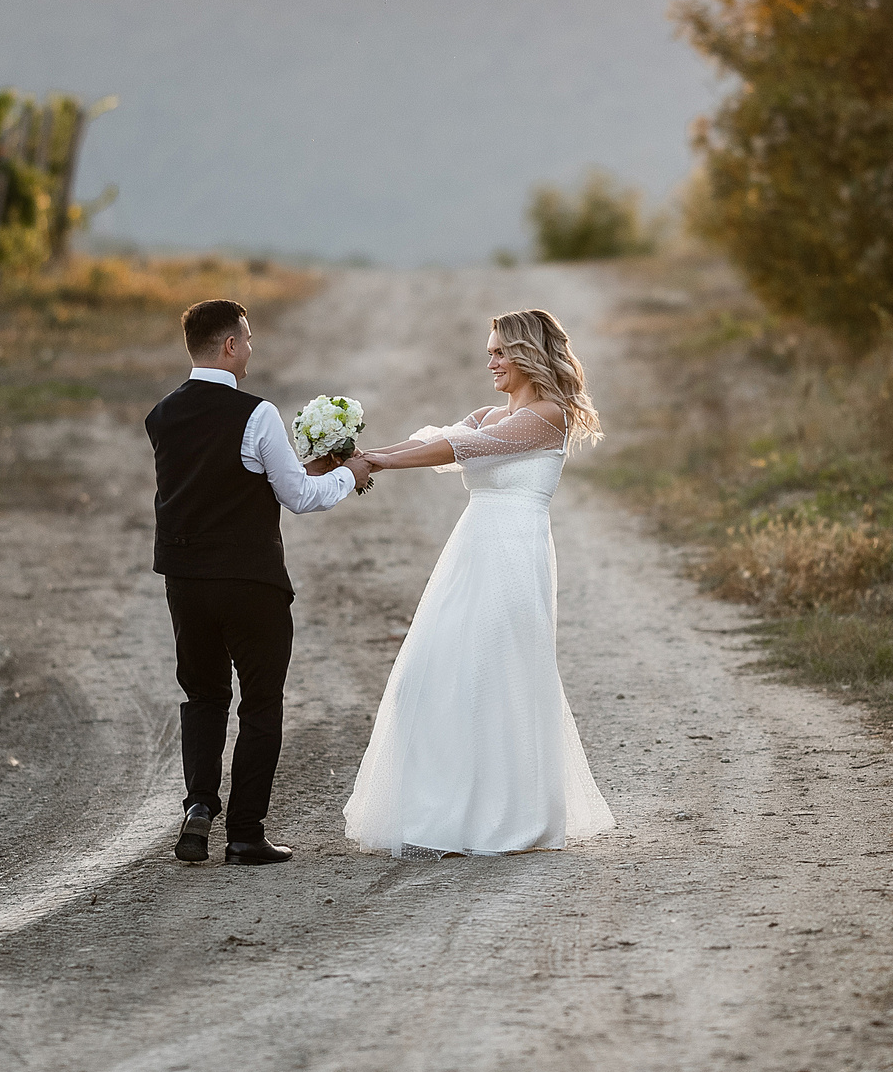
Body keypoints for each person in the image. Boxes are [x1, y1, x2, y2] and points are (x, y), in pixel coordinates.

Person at [342, 308, 616, 857]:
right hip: (471, 549)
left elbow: (453, 450)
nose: (489, 360)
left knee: (497, 671)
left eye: (498, 351)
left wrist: (373, 463)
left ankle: (509, 815)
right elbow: (434, 440)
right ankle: (443, 806)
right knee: (436, 668)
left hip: (515, 552)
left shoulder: (546, 415)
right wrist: (360, 457)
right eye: (489, 350)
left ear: (526, 355)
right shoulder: (489, 412)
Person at [147, 298, 373, 866]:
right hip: (250, 581)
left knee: (202, 696)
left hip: (185, 580)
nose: (250, 349)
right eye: (246, 339)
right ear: (229, 346)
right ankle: (245, 833)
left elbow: (223, 480)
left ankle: (199, 807)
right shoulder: (257, 413)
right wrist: (350, 474)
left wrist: (310, 469)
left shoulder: (162, 416)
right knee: (261, 703)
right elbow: (297, 497)